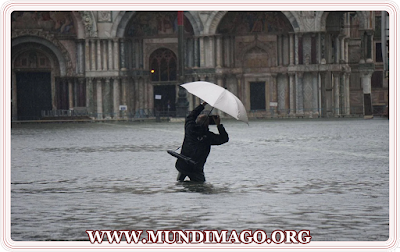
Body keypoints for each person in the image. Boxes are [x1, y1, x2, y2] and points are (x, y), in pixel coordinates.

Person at [175, 102, 229, 182]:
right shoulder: (208, 137)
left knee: (180, 183)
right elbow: (224, 138)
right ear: (207, 124)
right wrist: (218, 125)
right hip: (196, 169)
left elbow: (191, 116)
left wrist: (203, 105)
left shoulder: (190, 128)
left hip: (183, 164)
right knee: (201, 186)